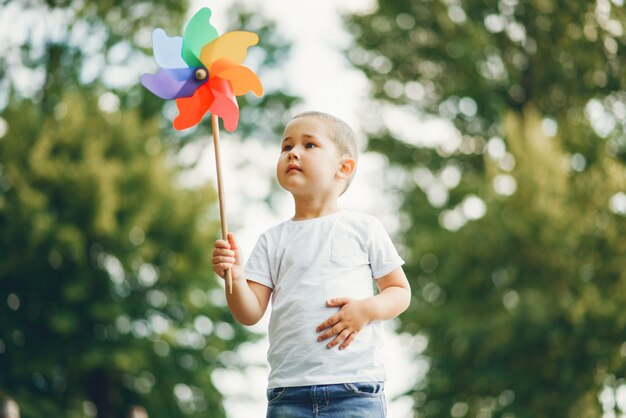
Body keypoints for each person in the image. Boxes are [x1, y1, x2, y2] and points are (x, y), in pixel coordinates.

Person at [212, 110, 411, 417]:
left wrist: (365, 310)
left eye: (309, 145)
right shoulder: (271, 239)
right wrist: (235, 278)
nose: (293, 153)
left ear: (343, 167)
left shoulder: (364, 228)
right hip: (288, 393)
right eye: (286, 146)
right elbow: (249, 312)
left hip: (354, 389)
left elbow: (399, 291)